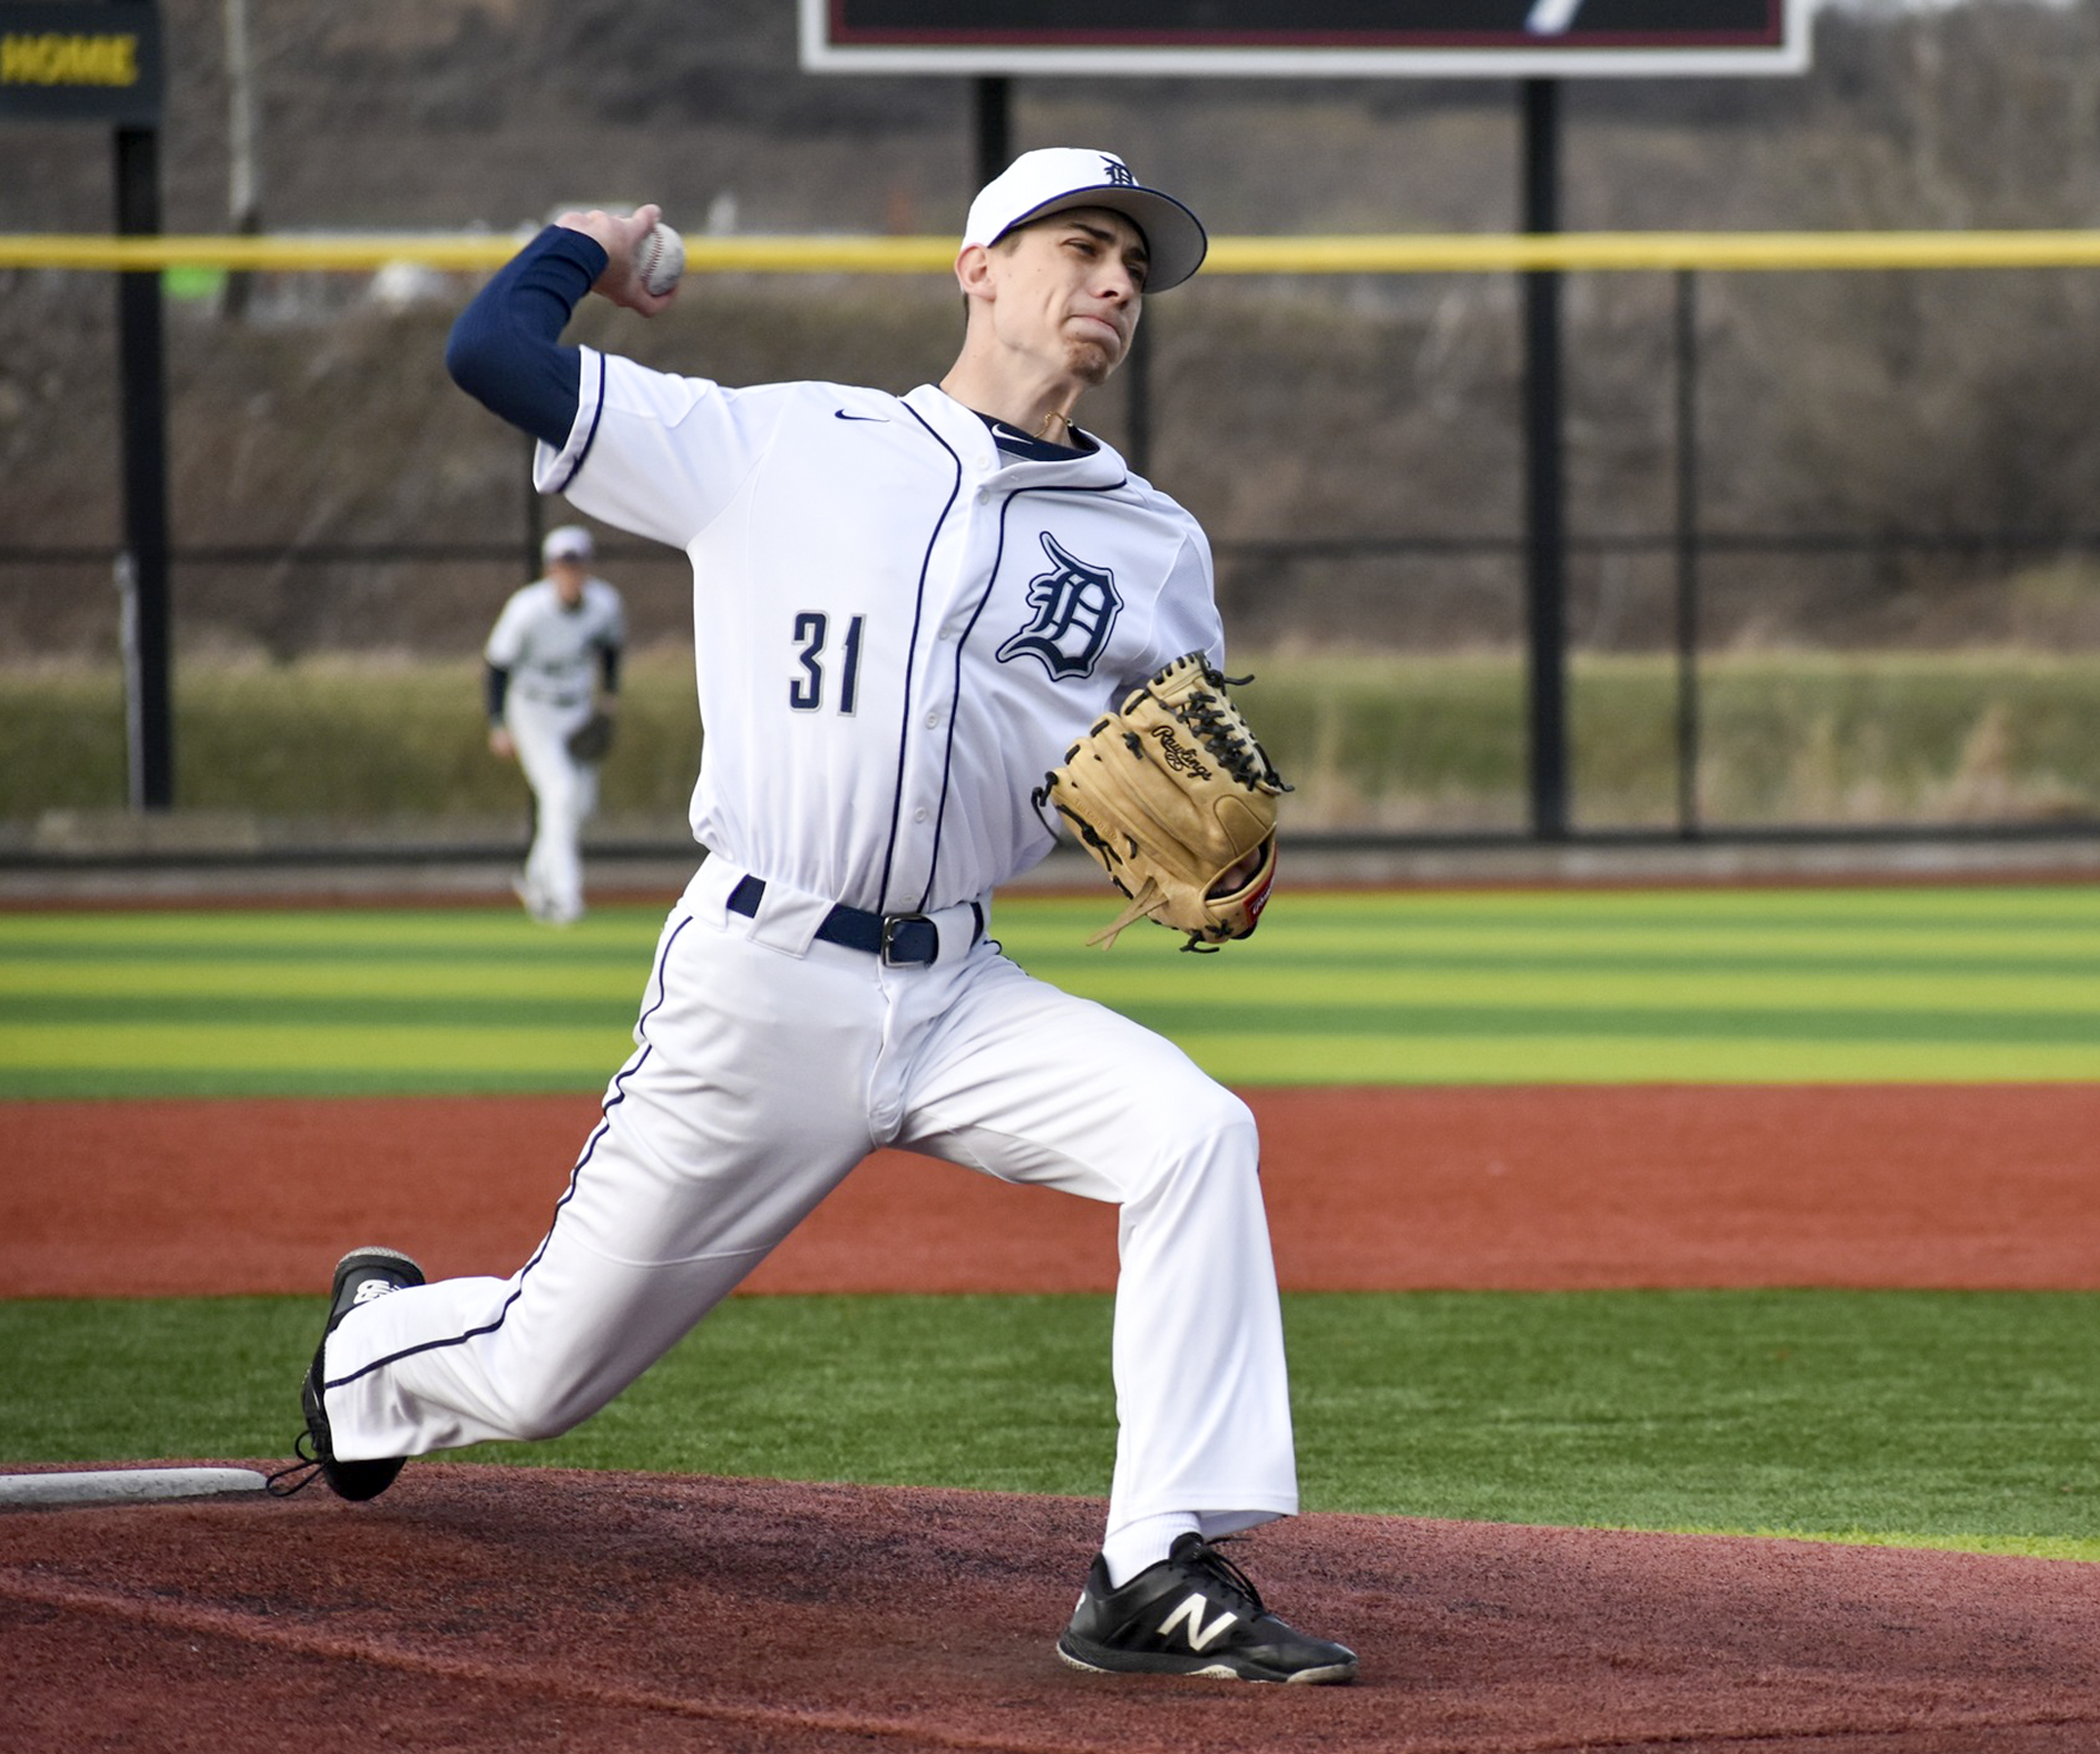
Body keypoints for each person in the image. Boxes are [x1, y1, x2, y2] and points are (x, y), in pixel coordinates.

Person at [286, 148, 1356, 1686]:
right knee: (540, 1379)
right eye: (1083, 243)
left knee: (1195, 1133)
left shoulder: (1152, 543)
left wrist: (1227, 864)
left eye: (1136, 263)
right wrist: (588, 244)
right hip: (763, 979)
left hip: (963, 990)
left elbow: (1171, 778)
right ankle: (370, 1353)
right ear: (979, 266)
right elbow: (492, 356)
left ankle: (1147, 1567)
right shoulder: (778, 445)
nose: (1116, 282)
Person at [483, 524, 627, 927]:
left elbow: (611, 648)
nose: (570, 573)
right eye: (563, 566)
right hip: (532, 711)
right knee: (560, 793)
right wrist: (497, 723)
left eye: (577, 565)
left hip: (576, 710)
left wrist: (609, 700)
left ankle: (534, 877)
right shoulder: (527, 610)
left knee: (578, 804)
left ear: (588, 569)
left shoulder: (604, 604)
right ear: (550, 571)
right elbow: (496, 666)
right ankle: (565, 898)